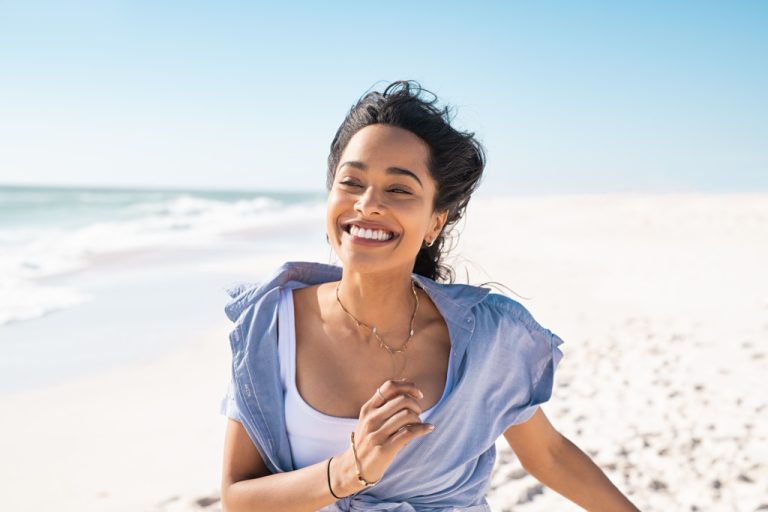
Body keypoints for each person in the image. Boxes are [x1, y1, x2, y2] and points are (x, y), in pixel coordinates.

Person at [219, 80, 640, 511]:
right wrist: (350, 470)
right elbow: (238, 498)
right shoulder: (271, 323)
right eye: (351, 182)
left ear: (435, 222)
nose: (367, 204)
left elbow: (548, 455)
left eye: (399, 189)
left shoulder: (486, 337)